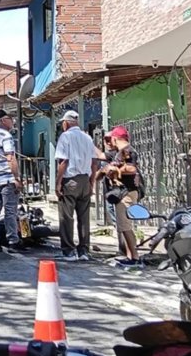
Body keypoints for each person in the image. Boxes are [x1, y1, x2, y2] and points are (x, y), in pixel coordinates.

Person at [54, 109, 99, 261]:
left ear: (66, 123)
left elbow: (63, 161)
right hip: (85, 180)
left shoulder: (65, 137)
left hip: (70, 180)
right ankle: (84, 250)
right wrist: (92, 182)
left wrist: (58, 183)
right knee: (83, 217)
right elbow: (94, 162)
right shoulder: (87, 137)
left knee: (66, 216)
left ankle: (68, 250)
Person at [99, 125, 143, 268]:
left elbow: (131, 168)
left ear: (115, 138)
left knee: (125, 226)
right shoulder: (121, 152)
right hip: (123, 194)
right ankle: (130, 256)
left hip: (126, 194)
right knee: (123, 226)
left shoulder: (127, 151)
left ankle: (134, 258)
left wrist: (115, 169)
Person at [0, 109, 26, 253]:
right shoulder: (6, 135)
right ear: (3, 120)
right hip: (7, 179)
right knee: (10, 211)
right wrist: (16, 178)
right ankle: (13, 241)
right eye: (10, 118)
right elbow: (10, 157)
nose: (13, 121)